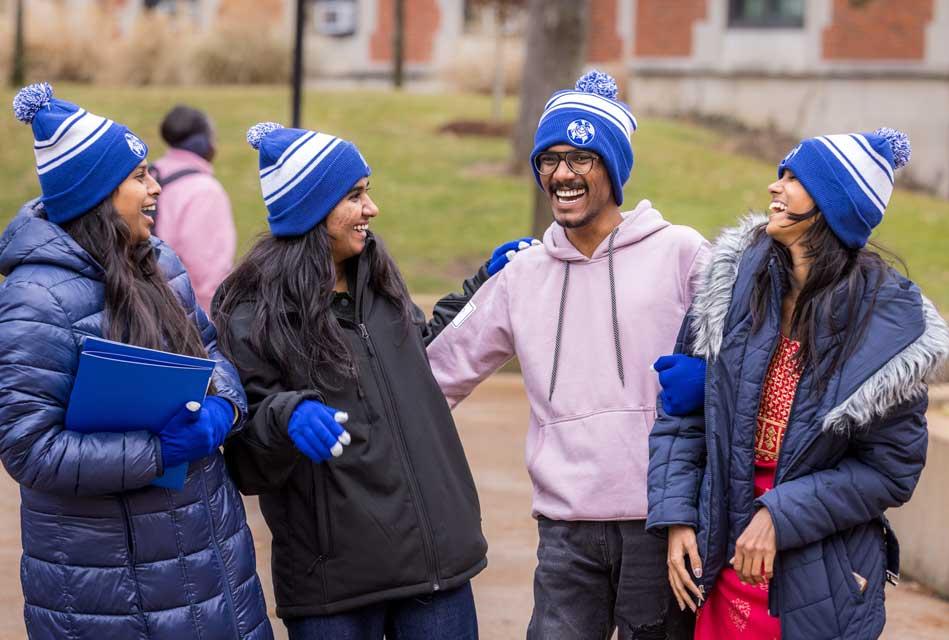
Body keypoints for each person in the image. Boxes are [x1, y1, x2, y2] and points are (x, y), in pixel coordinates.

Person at [213, 121, 531, 640]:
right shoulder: (253, 311)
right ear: (312, 209)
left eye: (368, 192)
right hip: (335, 588)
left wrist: (483, 285)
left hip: (435, 571)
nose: (372, 209)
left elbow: (414, 358)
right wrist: (286, 416)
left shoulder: (376, 279)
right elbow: (246, 446)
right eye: (355, 196)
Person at [426, 70, 710, 640]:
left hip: (658, 522)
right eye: (549, 160)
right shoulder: (521, 276)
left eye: (581, 157)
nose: (562, 174)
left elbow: (754, 356)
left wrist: (713, 381)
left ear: (614, 168)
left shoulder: (682, 253)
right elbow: (436, 376)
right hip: (564, 531)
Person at [646, 128, 949, 640]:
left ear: (835, 207)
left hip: (816, 575)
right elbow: (686, 412)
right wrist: (677, 516)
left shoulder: (883, 330)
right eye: (779, 174)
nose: (775, 187)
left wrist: (780, 515)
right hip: (720, 557)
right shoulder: (736, 287)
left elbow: (891, 470)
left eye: (795, 179)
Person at [0, 83, 271, 639]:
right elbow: (28, 447)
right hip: (107, 585)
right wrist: (156, 451)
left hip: (207, 549)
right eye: (140, 176)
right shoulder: (34, 299)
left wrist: (223, 406)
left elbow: (211, 352)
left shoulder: (160, 262)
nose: (156, 188)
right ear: (97, 194)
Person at [152, 104, 236, 314]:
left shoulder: (151, 174)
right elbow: (208, 274)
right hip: (183, 317)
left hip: (144, 305)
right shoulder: (204, 191)